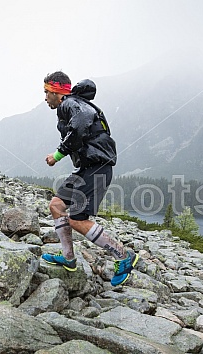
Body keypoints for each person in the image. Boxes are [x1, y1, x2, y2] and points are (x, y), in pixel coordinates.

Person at [41, 71, 138, 287]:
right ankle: (68, 258)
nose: (45, 97)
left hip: (98, 167)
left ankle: (123, 256)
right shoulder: (70, 105)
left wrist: (57, 155)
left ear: (57, 91)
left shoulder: (70, 103)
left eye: (47, 92)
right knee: (56, 206)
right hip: (87, 168)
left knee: (77, 218)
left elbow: (82, 121)